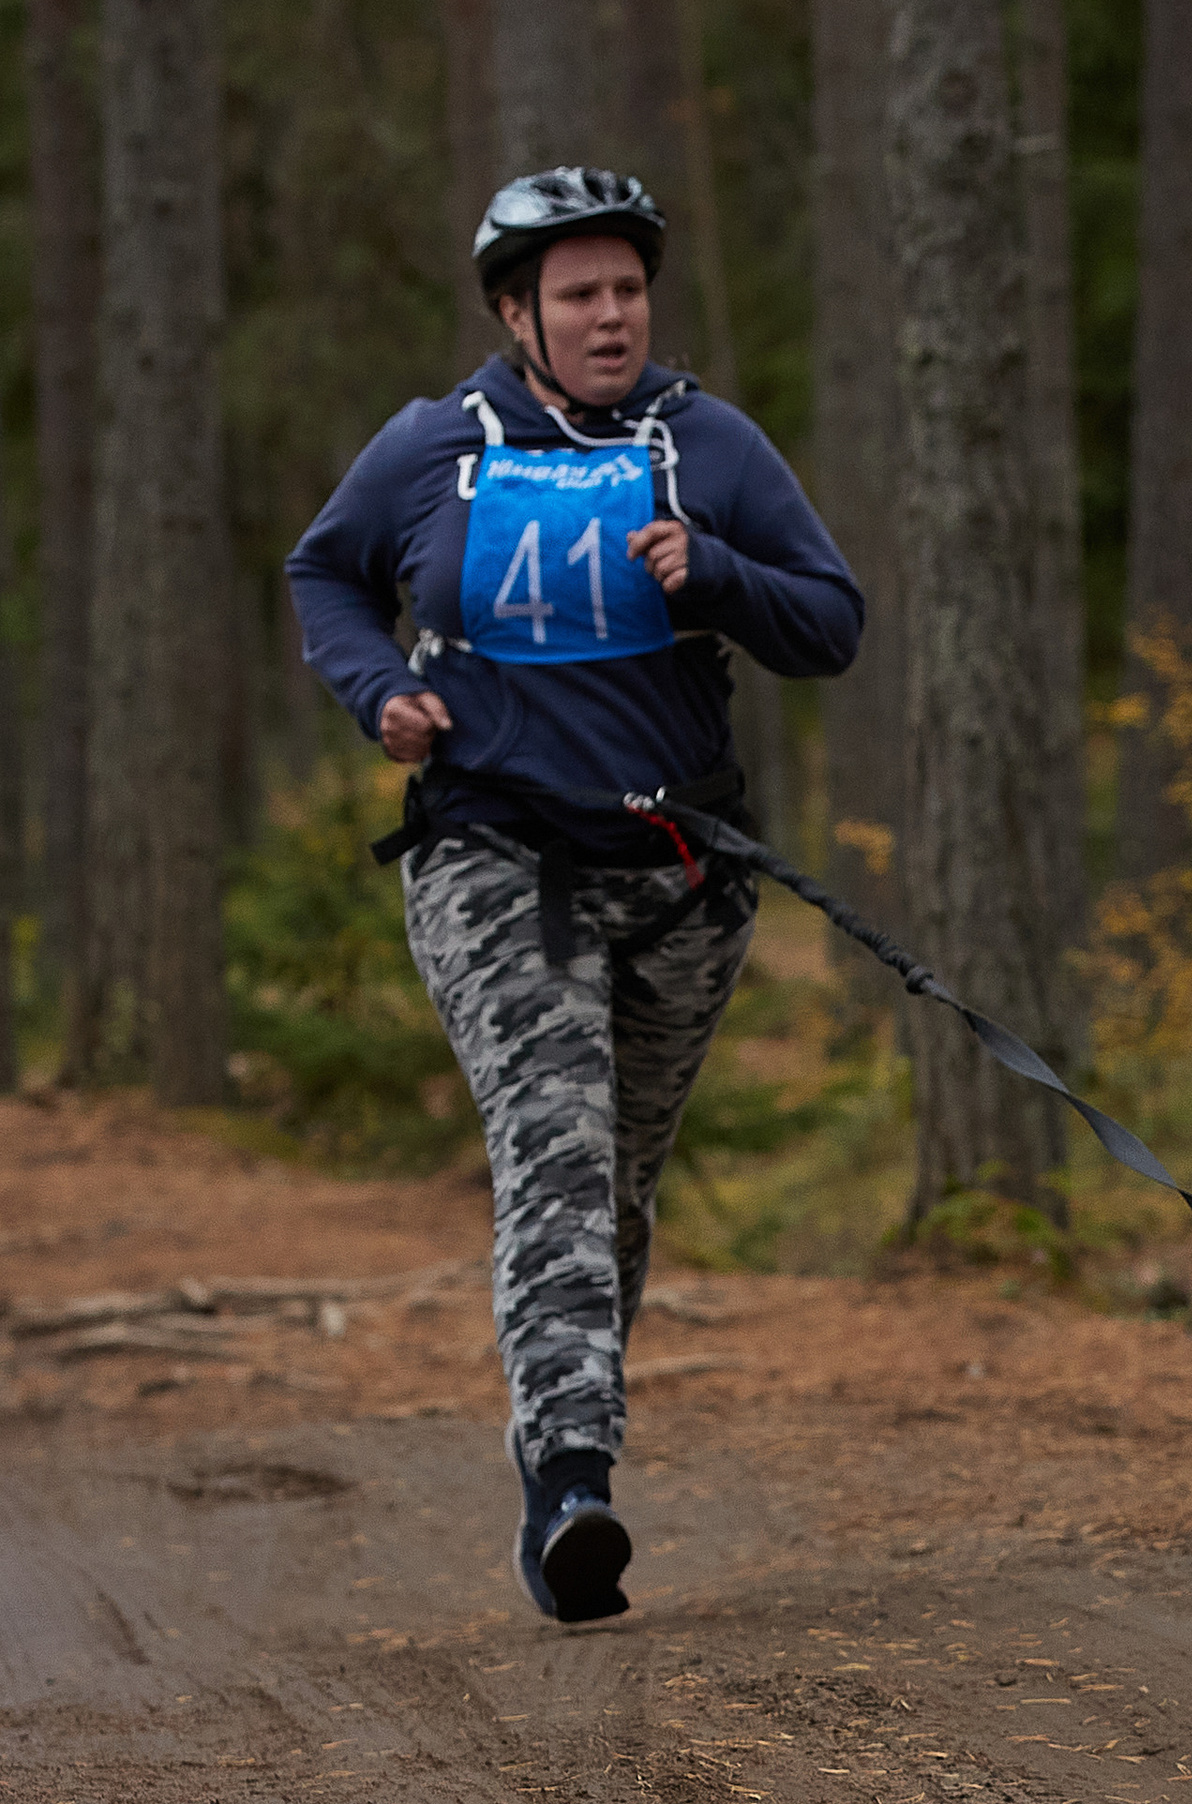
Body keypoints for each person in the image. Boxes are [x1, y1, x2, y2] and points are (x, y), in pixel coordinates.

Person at [287, 168, 863, 1624]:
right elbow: (325, 575)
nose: (610, 316)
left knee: (611, 1187)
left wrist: (714, 571)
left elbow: (831, 624)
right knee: (553, 1151)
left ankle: (564, 1438)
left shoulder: (706, 444)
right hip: (492, 859)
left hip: (678, 879)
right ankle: (571, 1481)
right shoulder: (434, 449)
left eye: (626, 289)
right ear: (515, 313)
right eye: (577, 295)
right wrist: (380, 696)